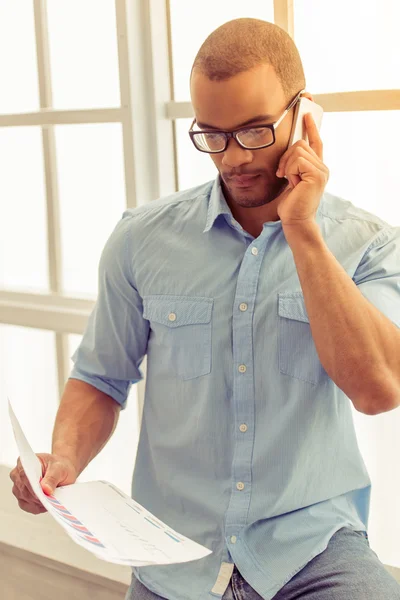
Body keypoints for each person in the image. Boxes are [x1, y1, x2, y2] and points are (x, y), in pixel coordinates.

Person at [10, 17, 400, 600]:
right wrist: (63, 458)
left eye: (254, 132)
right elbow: (100, 376)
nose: (233, 158)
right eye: (212, 136)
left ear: (304, 116)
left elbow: (379, 388)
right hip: (170, 551)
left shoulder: (367, 243)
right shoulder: (141, 239)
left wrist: (303, 231)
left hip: (313, 549)